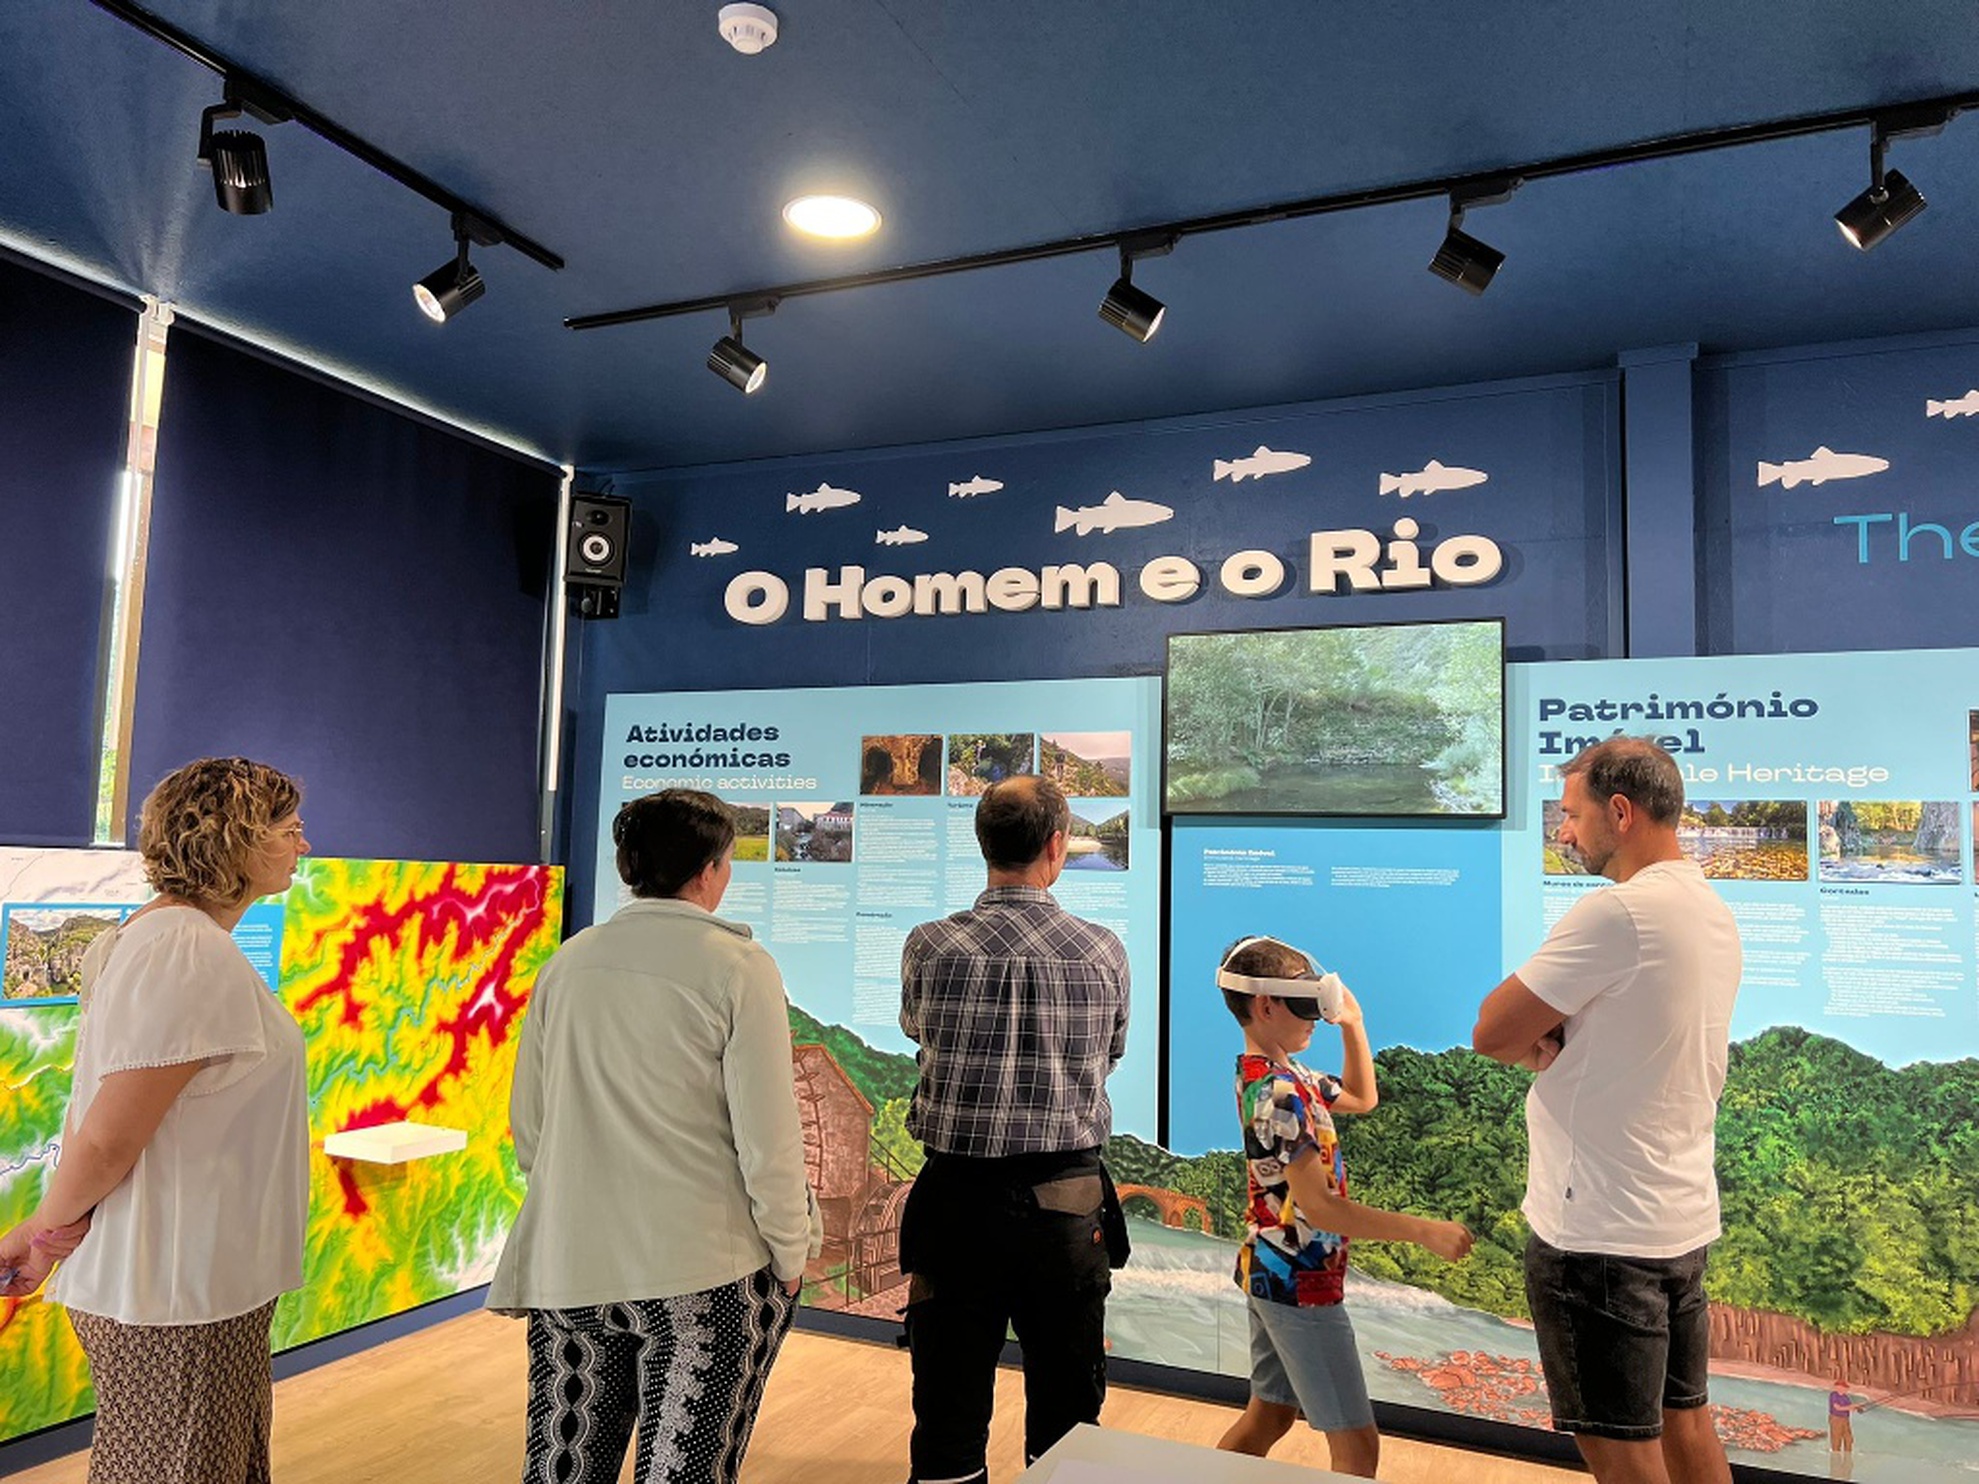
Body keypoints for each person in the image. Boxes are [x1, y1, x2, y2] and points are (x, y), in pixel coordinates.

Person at [0, 756, 311, 1484]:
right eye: (288, 829)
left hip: (197, 1288)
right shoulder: (183, 948)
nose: (303, 844)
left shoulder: (165, 939)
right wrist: (43, 1235)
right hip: (173, 1295)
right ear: (236, 839)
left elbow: (108, 1120)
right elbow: (109, 1137)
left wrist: (46, 1237)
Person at [488, 788, 811, 1484]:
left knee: (564, 1468)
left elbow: (532, 1127)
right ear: (709, 870)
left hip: (571, 1266)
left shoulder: (569, 961)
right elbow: (768, 1138)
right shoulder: (738, 966)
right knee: (684, 1472)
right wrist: (790, 1248)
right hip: (704, 1271)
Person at [1472, 737, 1742, 1484]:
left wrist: (1540, 1038)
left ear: (1619, 813)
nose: (1564, 833)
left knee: (1623, 1458)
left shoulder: (1618, 913)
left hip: (1596, 1235)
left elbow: (1492, 1032)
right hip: (1676, 1219)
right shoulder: (1708, 907)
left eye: (1570, 814)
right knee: (1687, 1425)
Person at [897, 774, 1131, 1484]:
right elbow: (1109, 1054)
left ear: (982, 845)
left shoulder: (929, 946)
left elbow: (917, 1029)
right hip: (1066, 1210)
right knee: (1068, 1422)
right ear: (1057, 846)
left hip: (954, 1206)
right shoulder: (1102, 951)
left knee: (947, 1416)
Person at [1214, 934, 1473, 1479]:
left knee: (1269, 1416)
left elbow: (1362, 1096)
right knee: (1357, 1446)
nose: (1318, 1017)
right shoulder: (1280, 1093)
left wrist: (1353, 1024)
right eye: (1306, 1005)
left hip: (1270, 1271)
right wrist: (1423, 1230)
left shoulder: (1283, 1076)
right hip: (1299, 1284)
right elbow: (1322, 1209)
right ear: (1266, 1005)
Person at [1828, 1373, 1861, 1453]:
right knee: (1836, 1439)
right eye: (1842, 1387)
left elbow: (1850, 1408)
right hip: (1836, 1419)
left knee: (1849, 1439)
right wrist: (1850, 1407)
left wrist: (1856, 1407)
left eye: (1845, 1388)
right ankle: (1835, 1454)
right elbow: (1837, 1408)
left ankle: (1848, 1454)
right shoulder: (1833, 1395)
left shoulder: (1846, 1397)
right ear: (1837, 1387)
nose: (1844, 1389)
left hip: (1845, 1419)